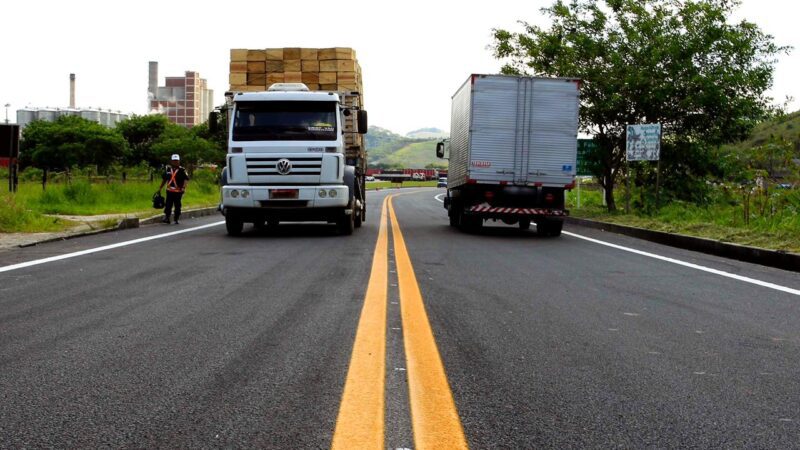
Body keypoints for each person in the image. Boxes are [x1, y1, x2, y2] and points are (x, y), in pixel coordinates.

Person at [157, 154, 189, 224]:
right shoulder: (168, 169)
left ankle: (176, 218)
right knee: (168, 204)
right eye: (174, 160)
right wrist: (160, 188)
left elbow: (186, 179)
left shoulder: (182, 170)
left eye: (177, 160)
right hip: (169, 191)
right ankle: (167, 217)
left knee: (177, 205)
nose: (175, 162)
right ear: (171, 161)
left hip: (178, 191)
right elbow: (164, 179)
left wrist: (183, 187)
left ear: (179, 161)